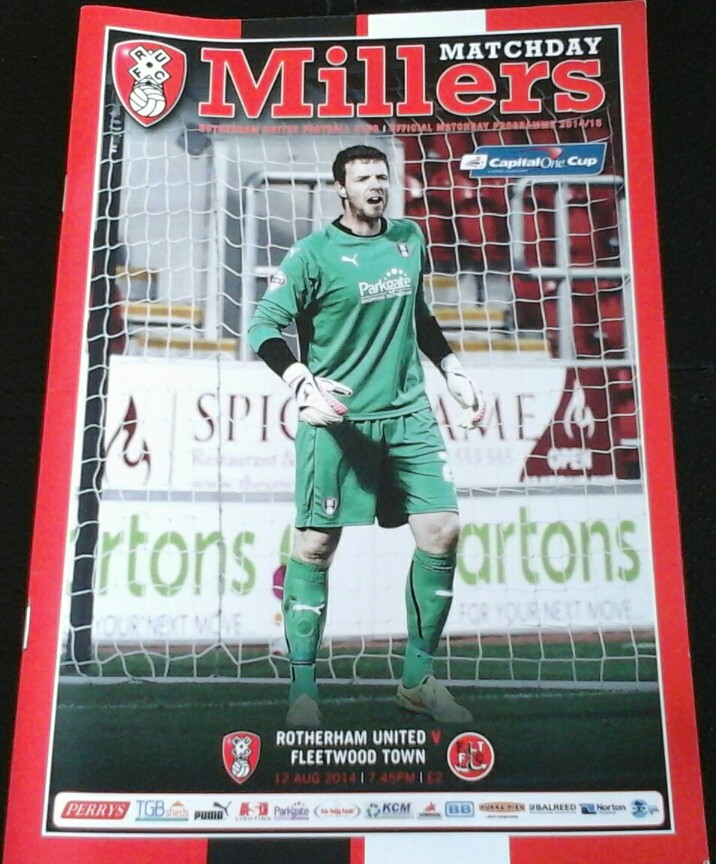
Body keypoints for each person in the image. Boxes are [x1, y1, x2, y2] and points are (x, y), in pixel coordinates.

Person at [248, 144, 485, 727]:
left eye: (382, 176)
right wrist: (301, 383)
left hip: (408, 414)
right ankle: (303, 689)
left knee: (443, 530)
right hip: (337, 420)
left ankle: (417, 680)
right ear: (341, 188)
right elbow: (262, 327)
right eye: (363, 179)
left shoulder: (409, 239)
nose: (376, 186)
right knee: (314, 548)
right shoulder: (312, 255)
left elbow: (417, 316)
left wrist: (451, 368)